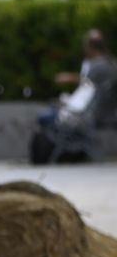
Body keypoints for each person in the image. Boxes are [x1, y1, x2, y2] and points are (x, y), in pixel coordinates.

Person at [31, 29, 117, 163]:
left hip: (89, 115)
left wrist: (68, 79)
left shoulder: (98, 66)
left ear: (90, 47)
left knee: (47, 116)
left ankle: (48, 155)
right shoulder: (111, 63)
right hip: (101, 112)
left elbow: (85, 83)